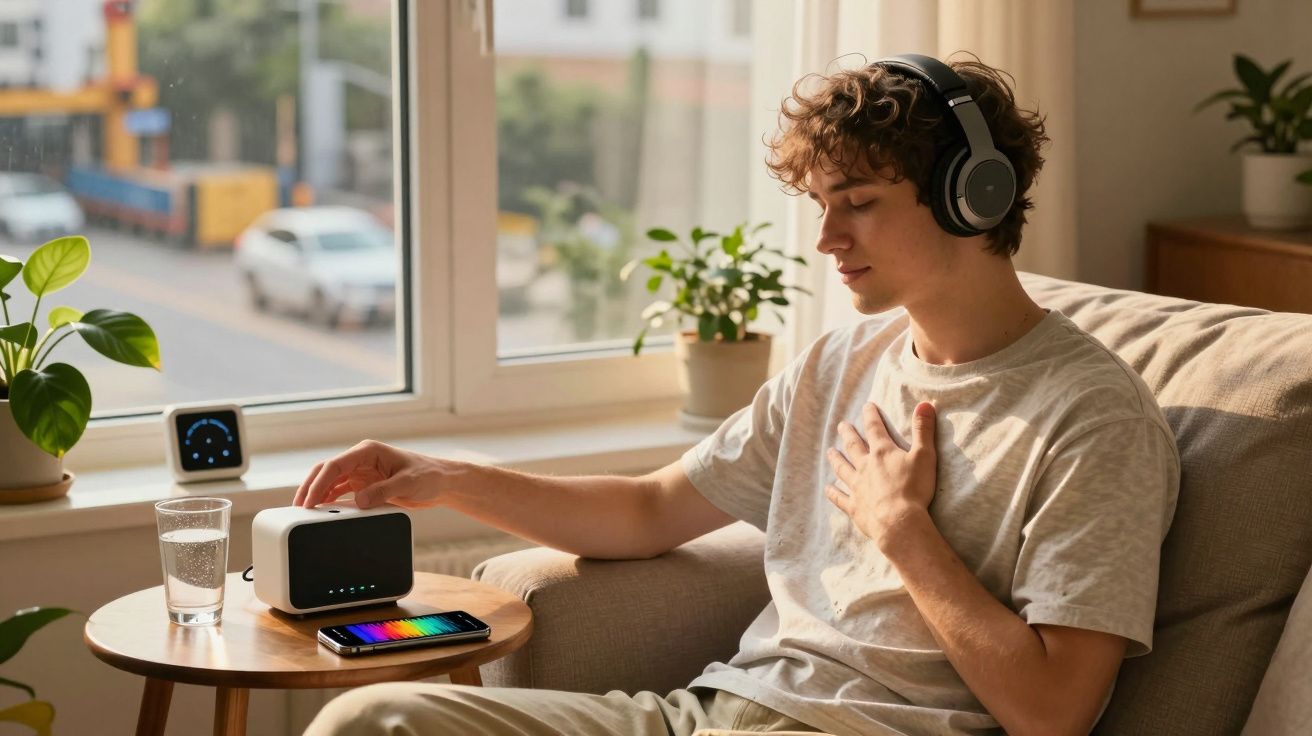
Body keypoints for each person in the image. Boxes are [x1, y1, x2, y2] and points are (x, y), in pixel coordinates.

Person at [300, 53, 1180, 736]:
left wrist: (904, 533)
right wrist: (448, 477)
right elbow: (647, 511)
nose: (829, 237)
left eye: (860, 202)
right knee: (372, 718)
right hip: (711, 714)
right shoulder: (841, 361)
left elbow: (1053, 712)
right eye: (821, 204)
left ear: (972, 197)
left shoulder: (1094, 419)